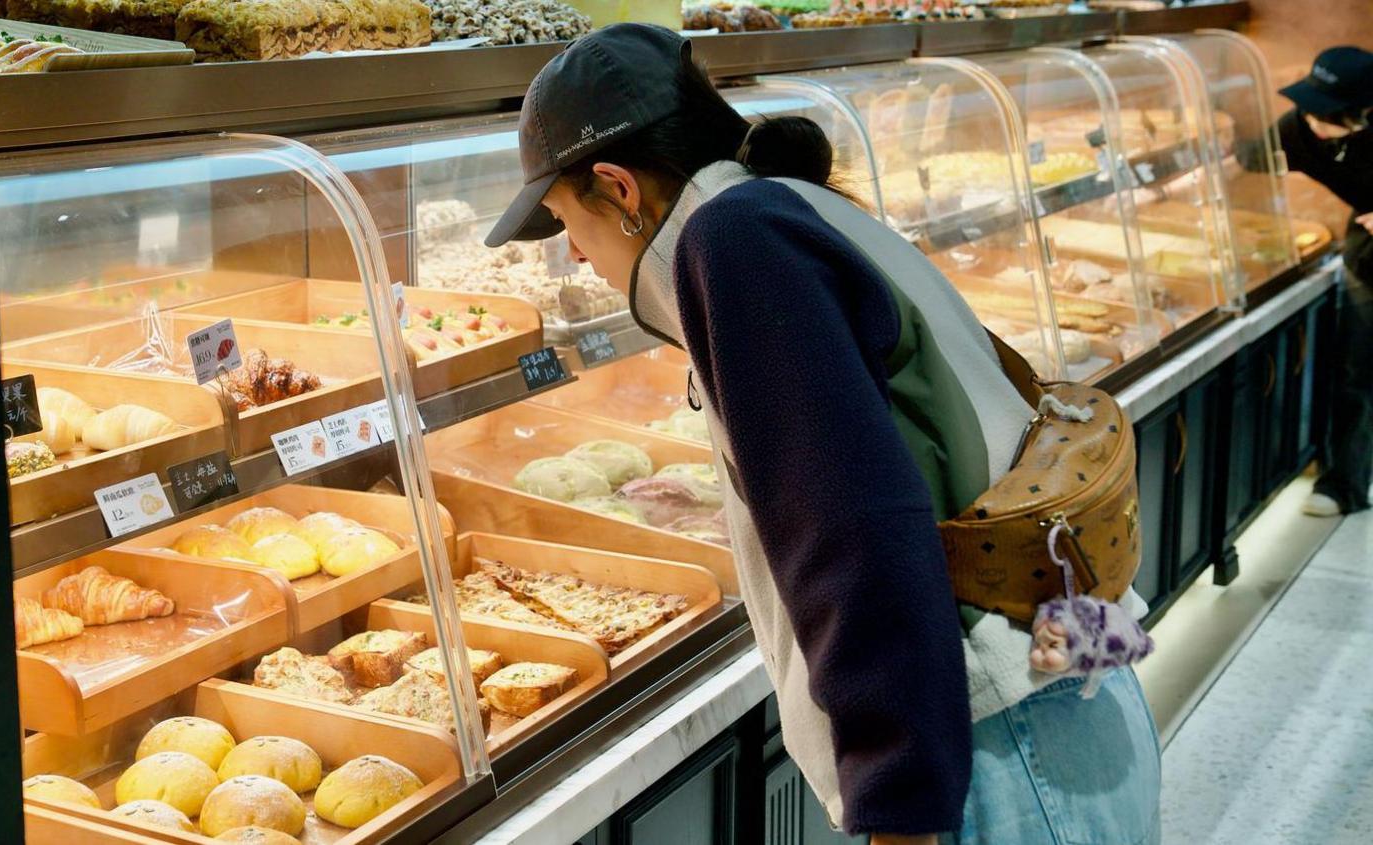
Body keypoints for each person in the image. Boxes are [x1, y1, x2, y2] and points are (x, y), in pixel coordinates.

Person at [485, 24, 1161, 845]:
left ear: (620, 190)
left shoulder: (736, 242)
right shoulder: (792, 205)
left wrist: (900, 806)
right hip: (1059, 676)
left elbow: (855, 531)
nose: (578, 261)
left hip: (992, 733)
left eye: (564, 225)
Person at [1241, 46, 1373, 517]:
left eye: (1329, 116)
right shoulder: (1299, 128)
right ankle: (1346, 485)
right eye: (1310, 106)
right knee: (1358, 368)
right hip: (1368, 258)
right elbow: (1249, 159)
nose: (1314, 121)